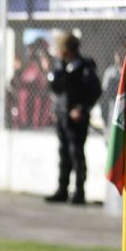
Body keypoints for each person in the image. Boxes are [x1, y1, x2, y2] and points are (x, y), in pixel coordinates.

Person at [46, 32, 101, 205]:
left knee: (76, 153)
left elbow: (94, 91)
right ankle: (62, 189)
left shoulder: (84, 68)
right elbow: (57, 89)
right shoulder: (62, 67)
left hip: (77, 118)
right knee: (64, 153)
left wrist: (82, 109)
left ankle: (79, 191)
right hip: (63, 115)